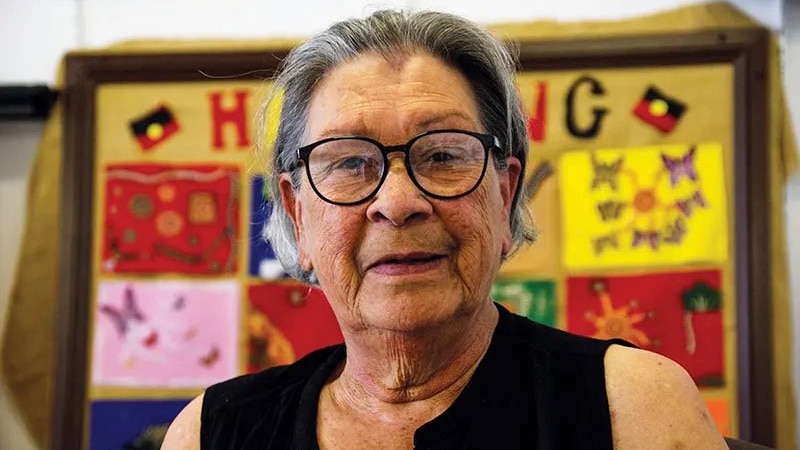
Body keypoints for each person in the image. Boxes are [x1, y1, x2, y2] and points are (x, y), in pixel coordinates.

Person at [162, 9, 728, 449]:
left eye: (443, 155)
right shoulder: (214, 432)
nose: (399, 201)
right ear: (297, 215)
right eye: (350, 162)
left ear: (504, 196)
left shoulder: (631, 405)